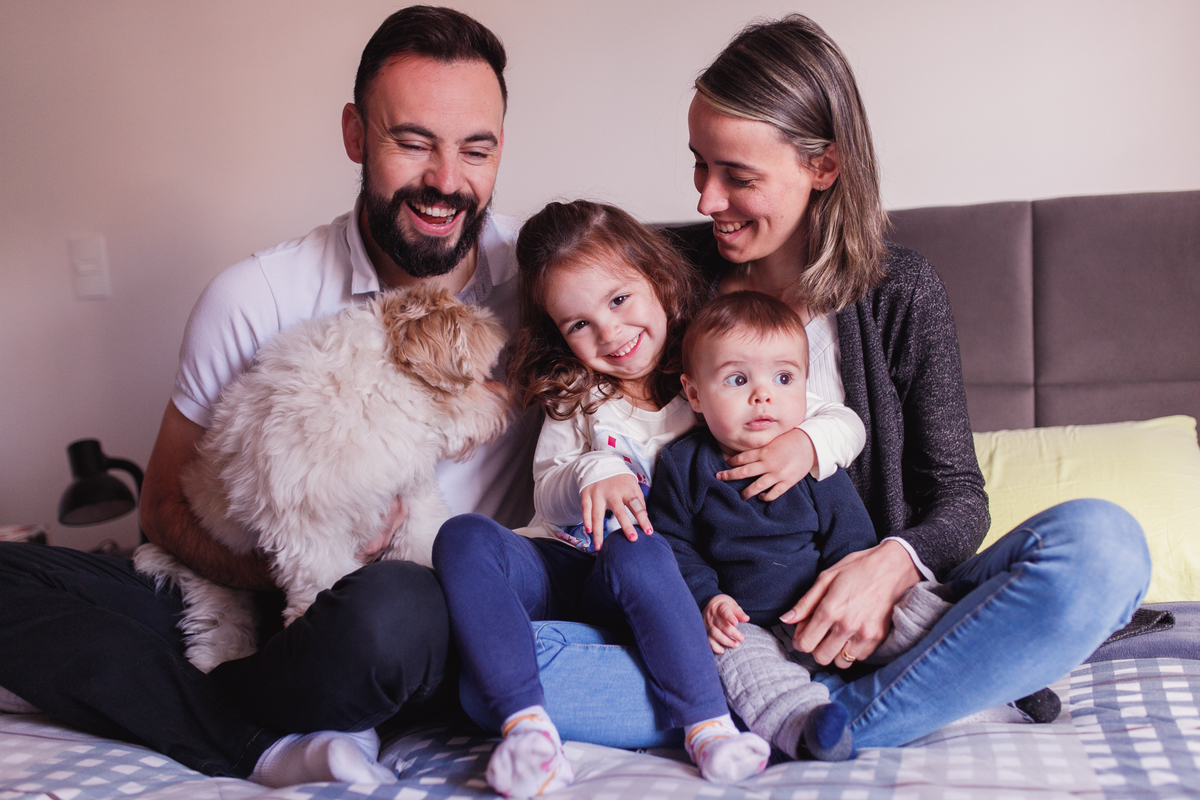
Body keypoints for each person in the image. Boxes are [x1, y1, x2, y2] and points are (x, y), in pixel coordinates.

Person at [529, 13, 1151, 750]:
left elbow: (958, 498)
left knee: (1105, 549)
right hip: (718, 635)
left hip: (877, 621)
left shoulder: (900, 292)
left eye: (738, 176)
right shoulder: (662, 276)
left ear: (822, 166)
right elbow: (565, 331)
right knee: (504, 667)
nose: (706, 200)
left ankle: (821, 716)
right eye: (699, 165)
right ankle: (885, 697)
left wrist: (890, 565)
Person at [0, 6, 537, 786]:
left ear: (498, 150)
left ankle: (211, 709)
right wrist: (302, 568)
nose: (446, 181)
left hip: (420, 614)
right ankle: (251, 735)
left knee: (390, 608)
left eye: (475, 149)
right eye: (413, 141)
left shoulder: (549, 280)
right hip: (268, 589)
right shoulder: (255, 295)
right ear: (355, 135)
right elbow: (163, 507)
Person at [432, 200, 870, 795]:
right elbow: (549, 492)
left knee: (639, 548)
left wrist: (806, 443)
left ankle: (708, 728)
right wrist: (593, 470)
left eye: (619, 300)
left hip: (650, 581)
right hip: (567, 564)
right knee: (462, 535)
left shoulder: (717, 371)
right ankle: (526, 729)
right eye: (579, 324)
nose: (609, 333)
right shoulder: (576, 394)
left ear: (658, 280)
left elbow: (839, 420)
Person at [654, 290, 966, 761]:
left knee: (911, 612)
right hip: (748, 624)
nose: (763, 395)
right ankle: (808, 724)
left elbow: (851, 542)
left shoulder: (812, 465)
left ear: (805, 386)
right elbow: (673, 545)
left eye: (783, 378)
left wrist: (845, 602)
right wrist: (706, 600)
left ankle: (996, 678)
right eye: (737, 379)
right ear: (694, 393)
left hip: (826, 606)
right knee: (736, 663)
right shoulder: (683, 466)